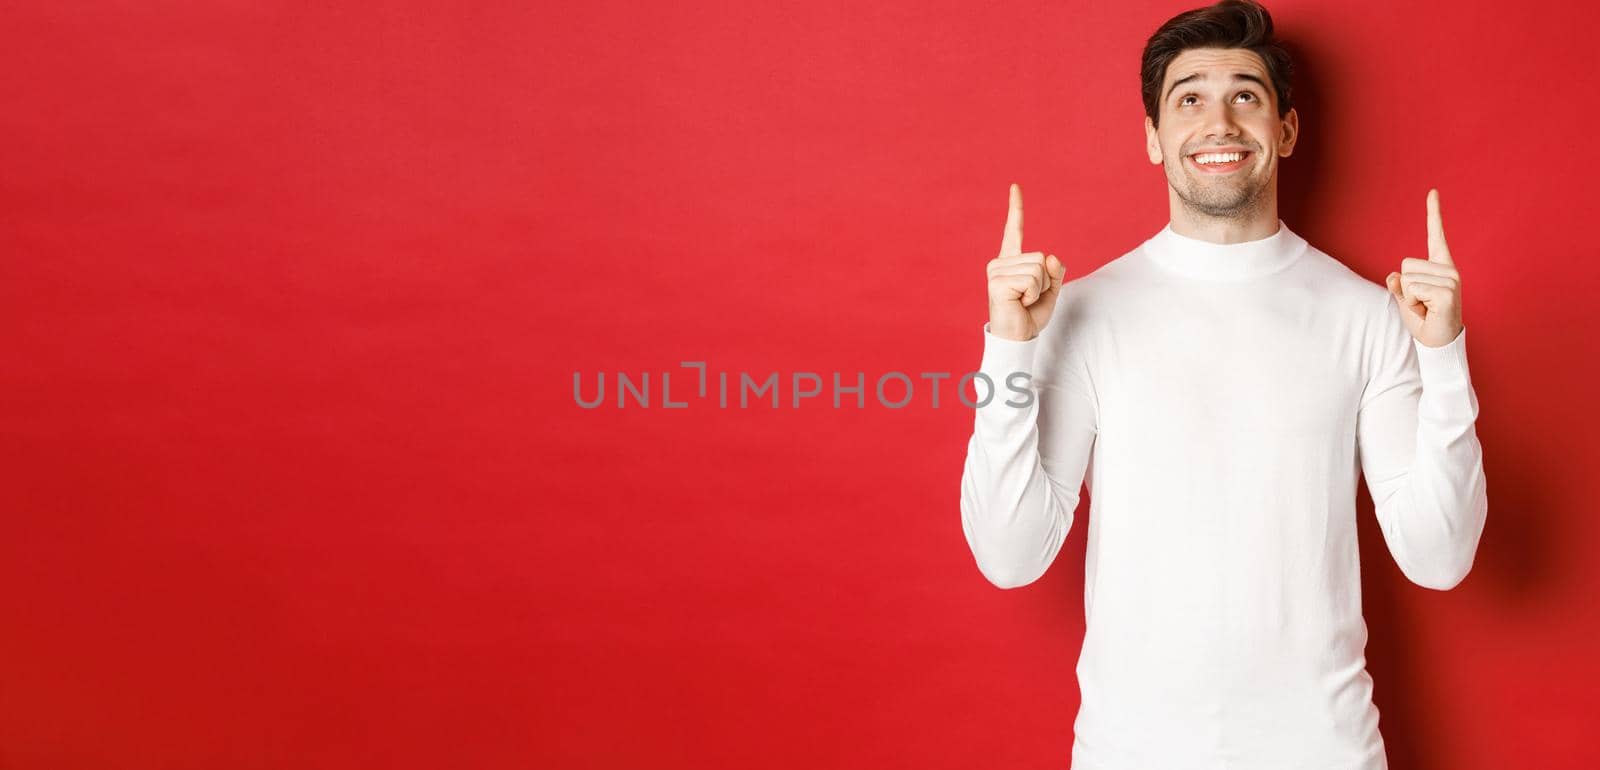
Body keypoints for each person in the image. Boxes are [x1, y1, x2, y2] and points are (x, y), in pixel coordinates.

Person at [957, 1, 1488, 767]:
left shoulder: (1368, 316)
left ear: (1286, 130)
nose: (1219, 122)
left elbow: (1440, 560)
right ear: (1153, 138)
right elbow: (1010, 556)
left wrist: (1443, 356)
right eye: (1189, 99)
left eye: (1245, 94)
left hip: (1326, 753)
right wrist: (1007, 349)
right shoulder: (1079, 314)